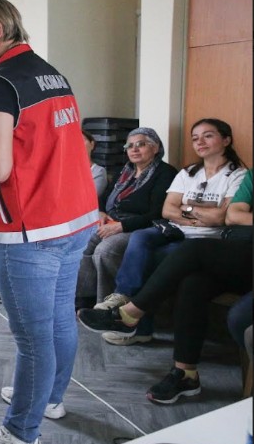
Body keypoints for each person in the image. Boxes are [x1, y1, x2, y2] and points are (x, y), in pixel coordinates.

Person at [0, 0, 98, 444]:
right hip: (73, 219)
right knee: (57, 321)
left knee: (33, 340)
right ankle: (50, 399)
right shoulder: (50, 72)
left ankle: (20, 435)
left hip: (30, 229)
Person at [79, 167, 253, 403]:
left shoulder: (235, 173)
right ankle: (186, 373)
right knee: (193, 283)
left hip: (236, 248)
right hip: (237, 247)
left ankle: (129, 314)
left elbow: (227, 216)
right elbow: (234, 215)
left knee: (194, 249)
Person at [92, 118, 247, 314]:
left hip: (205, 238)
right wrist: (196, 212)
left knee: (144, 257)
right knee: (140, 238)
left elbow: (220, 217)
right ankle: (120, 295)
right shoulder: (188, 172)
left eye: (208, 136)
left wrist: (185, 207)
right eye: (195, 138)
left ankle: (134, 321)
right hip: (174, 230)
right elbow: (168, 210)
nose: (200, 142)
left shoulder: (237, 175)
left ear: (226, 140)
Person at [75, 127, 178, 336]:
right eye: (130, 145)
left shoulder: (165, 173)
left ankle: (107, 311)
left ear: (156, 147)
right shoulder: (126, 171)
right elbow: (105, 197)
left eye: (141, 144)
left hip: (141, 227)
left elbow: (158, 212)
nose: (134, 149)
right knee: (82, 241)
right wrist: (101, 212)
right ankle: (82, 299)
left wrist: (121, 226)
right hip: (113, 221)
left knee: (105, 250)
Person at [84, 130, 107, 198]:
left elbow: (89, 198)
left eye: (82, 140)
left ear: (92, 144)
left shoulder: (98, 172)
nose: (78, 144)